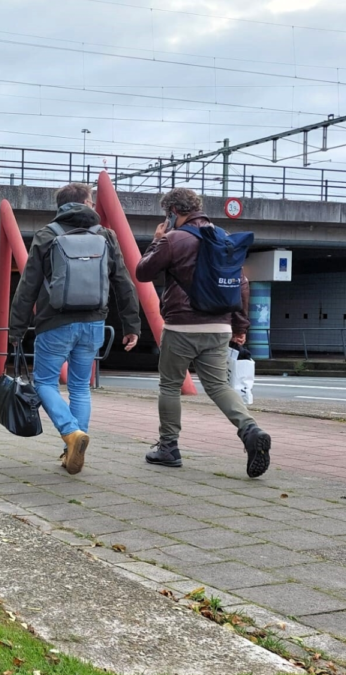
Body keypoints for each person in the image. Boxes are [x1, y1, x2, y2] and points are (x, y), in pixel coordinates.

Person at [134, 187, 271, 478]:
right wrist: (240, 327)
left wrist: (156, 240)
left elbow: (143, 273)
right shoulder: (223, 238)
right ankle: (250, 430)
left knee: (170, 386)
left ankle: (168, 448)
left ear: (173, 211)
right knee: (219, 386)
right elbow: (241, 284)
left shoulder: (173, 239)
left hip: (181, 326)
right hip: (219, 326)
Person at [9, 183, 141, 475]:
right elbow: (123, 282)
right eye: (91, 200)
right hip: (93, 323)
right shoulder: (105, 235)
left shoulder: (47, 235)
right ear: (85, 202)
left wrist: (16, 329)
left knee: (45, 382)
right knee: (80, 386)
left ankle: (71, 433)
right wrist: (132, 323)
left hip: (54, 323)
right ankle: (72, 446)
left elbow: (28, 285)